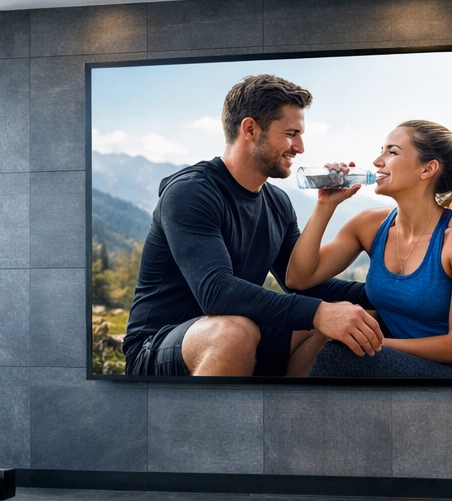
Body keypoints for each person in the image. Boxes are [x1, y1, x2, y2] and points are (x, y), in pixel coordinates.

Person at [122, 74, 384, 377]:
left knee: (355, 323)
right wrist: (320, 312)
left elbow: (302, 281)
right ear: (250, 129)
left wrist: (387, 294)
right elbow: (217, 292)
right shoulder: (192, 191)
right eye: (291, 133)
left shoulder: (277, 203)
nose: (299, 147)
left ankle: (289, 420)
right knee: (236, 332)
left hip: (241, 333)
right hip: (158, 346)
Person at [285, 120, 452, 379]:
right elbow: (298, 278)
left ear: (428, 169)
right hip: (409, 365)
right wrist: (325, 205)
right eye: (382, 150)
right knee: (319, 330)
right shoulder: (369, 225)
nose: (378, 161)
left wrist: (368, 342)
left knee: (340, 351)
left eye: (392, 152)